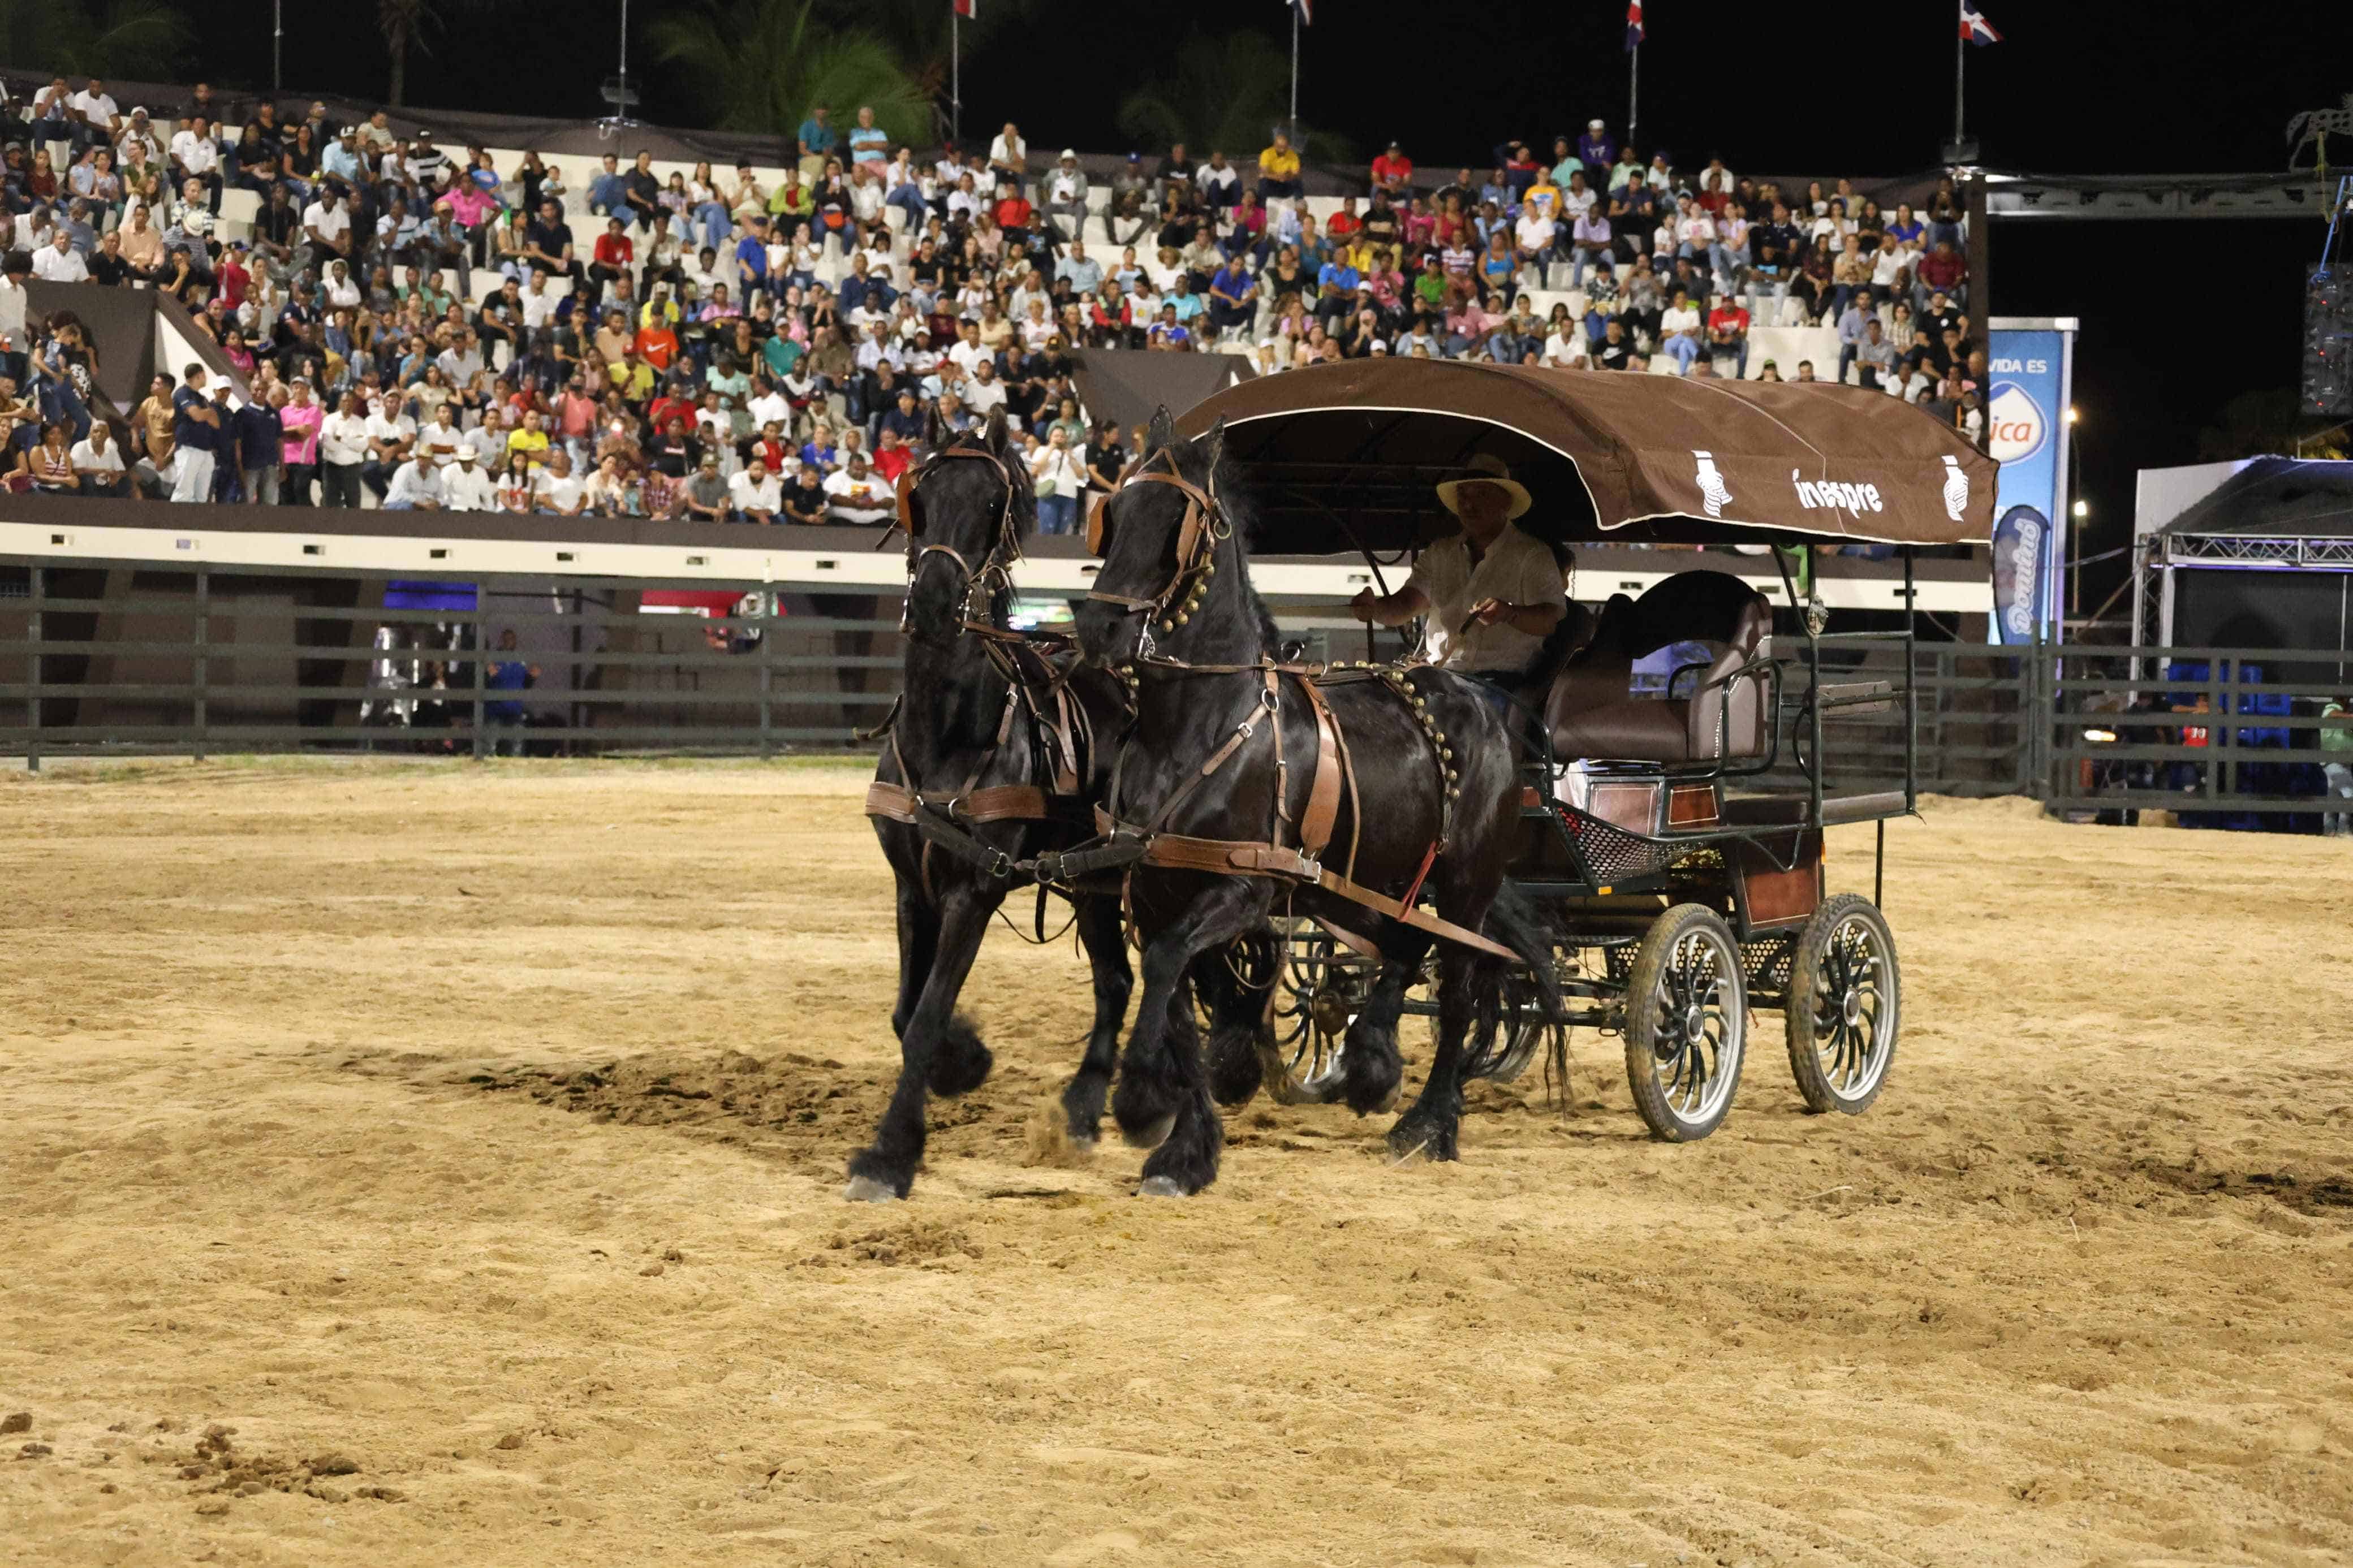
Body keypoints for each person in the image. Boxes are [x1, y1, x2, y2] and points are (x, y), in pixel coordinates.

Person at [1347, 454, 1565, 707]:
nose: (1469, 505)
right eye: (1464, 496)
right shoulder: (1440, 553)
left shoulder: (1532, 555)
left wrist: (1509, 613)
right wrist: (1374, 609)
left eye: (1481, 494)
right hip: (1439, 679)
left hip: (1503, 684)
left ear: (1505, 503)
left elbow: (1549, 622)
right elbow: (1404, 606)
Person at [169, 364, 223, 503]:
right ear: (199, 375)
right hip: (188, 448)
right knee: (184, 492)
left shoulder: (203, 399)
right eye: (204, 375)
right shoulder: (183, 393)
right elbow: (197, 416)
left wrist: (207, 413)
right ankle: (176, 523)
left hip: (205, 451)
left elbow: (216, 424)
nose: (206, 379)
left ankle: (197, 524)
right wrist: (209, 413)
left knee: (202, 496)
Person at [484, 629, 538, 756]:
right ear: (501, 641)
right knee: (490, 744)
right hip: (495, 710)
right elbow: (484, 683)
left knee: (516, 744)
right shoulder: (493, 658)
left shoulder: (520, 661)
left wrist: (532, 677)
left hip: (514, 710)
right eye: (506, 639)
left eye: (512, 639)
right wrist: (488, 675)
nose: (509, 642)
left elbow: (525, 685)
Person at [1029, 425, 1087, 535]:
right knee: (1048, 529)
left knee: (1063, 530)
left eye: (1062, 436)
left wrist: (1070, 457)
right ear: (1050, 437)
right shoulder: (1042, 450)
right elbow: (1035, 470)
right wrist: (1051, 449)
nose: (1059, 438)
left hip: (1069, 496)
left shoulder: (1073, 453)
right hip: (1048, 495)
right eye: (1056, 436)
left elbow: (1081, 474)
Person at [2322, 695, 2353, 838]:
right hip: (2334, 761)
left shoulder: (2344, 719)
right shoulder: (2332, 709)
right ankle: (2343, 829)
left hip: (2343, 762)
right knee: (2349, 792)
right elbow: (2332, 714)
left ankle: (2329, 831)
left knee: (2334, 796)